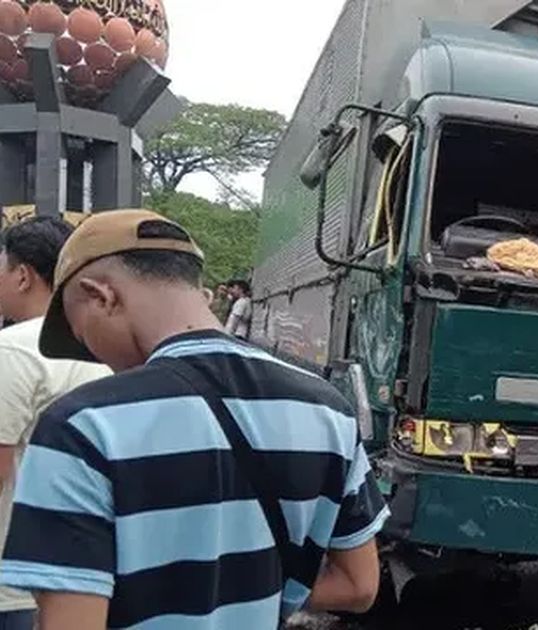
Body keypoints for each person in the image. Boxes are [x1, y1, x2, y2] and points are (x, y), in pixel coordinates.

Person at [0, 210, 389, 629]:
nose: (94, 355)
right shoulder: (328, 409)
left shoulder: (81, 425)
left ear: (101, 296)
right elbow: (358, 586)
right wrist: (232, 589)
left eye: (82, 336)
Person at [0, 218, 111, 630]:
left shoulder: (12, 351)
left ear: (24, 275)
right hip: (78, 572)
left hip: (9, 574)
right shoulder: (99, 342)